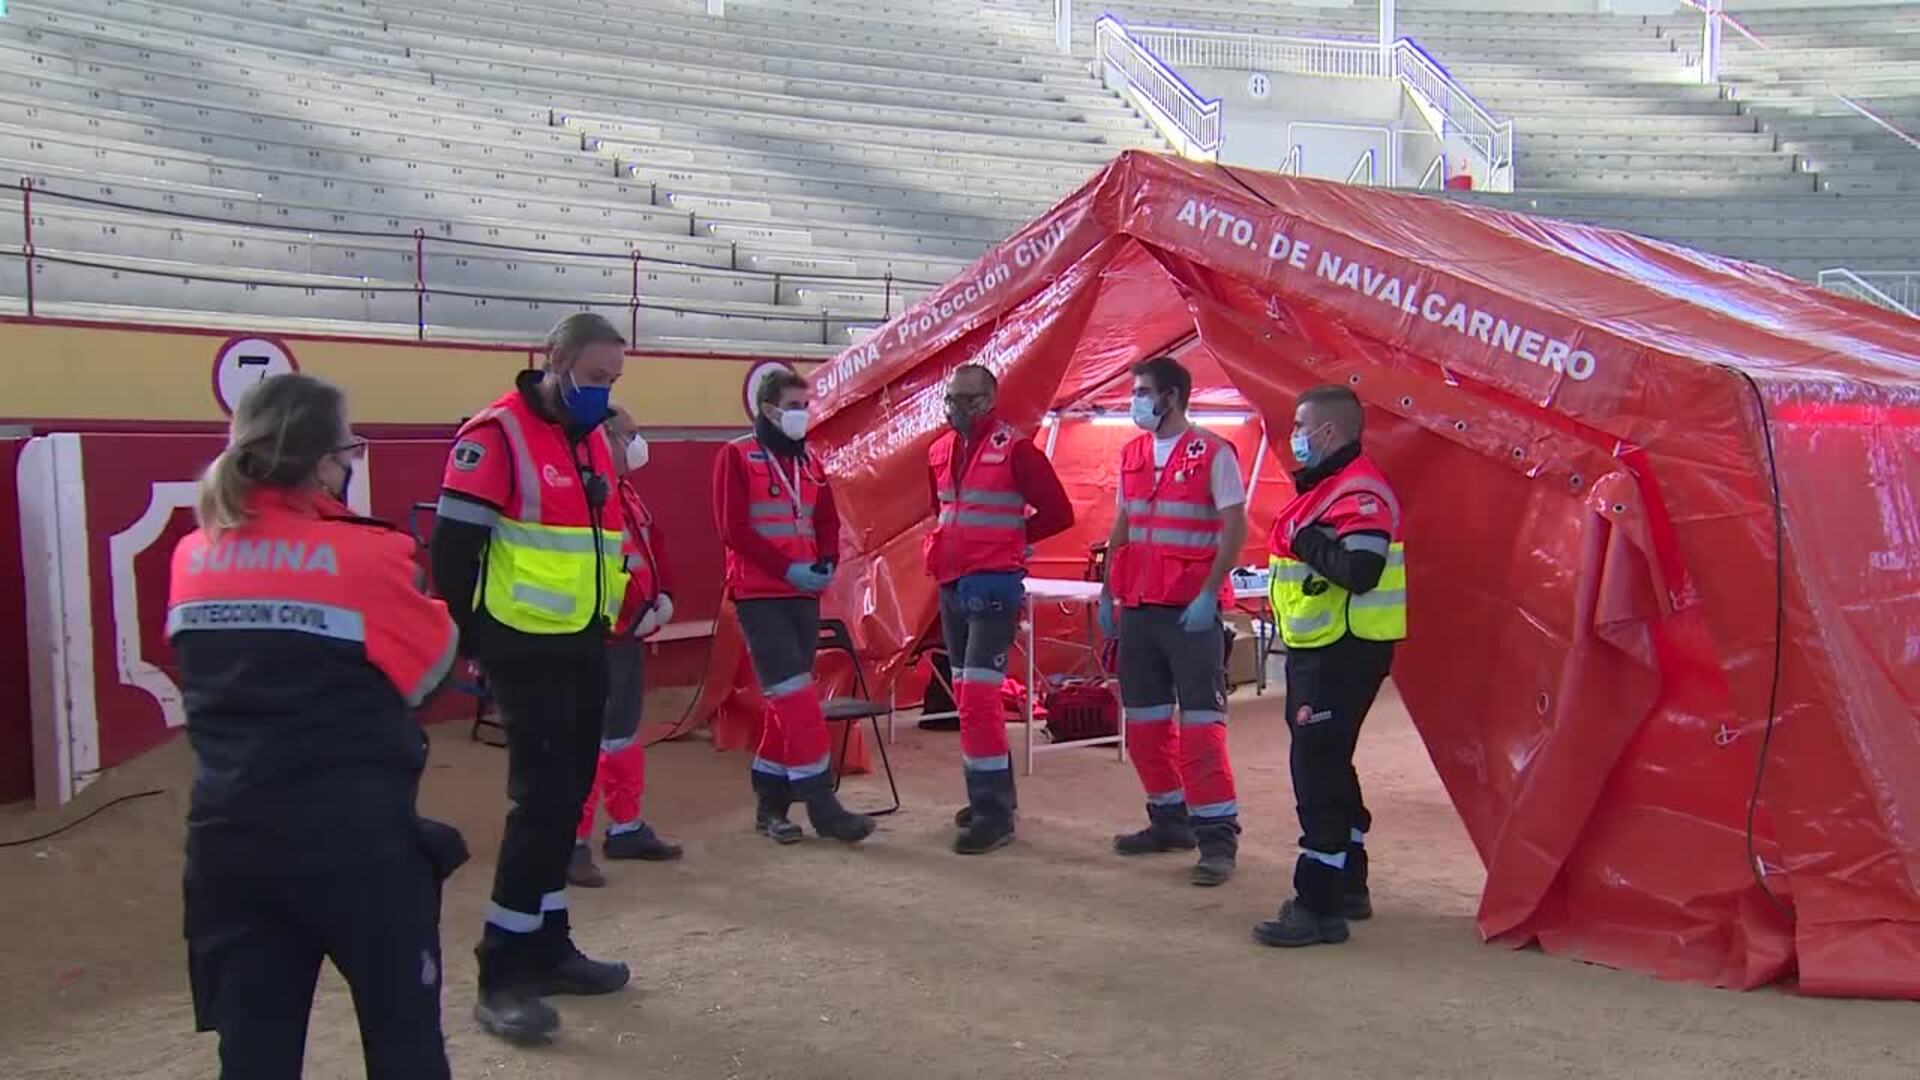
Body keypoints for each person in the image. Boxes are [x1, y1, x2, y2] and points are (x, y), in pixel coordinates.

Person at [169, 373, 463, 1079]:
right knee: (405, 1047)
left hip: (228, 843)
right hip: (354, 844)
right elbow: (431, 673)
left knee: (253, 1057)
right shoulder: (369, 554)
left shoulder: (195, 552)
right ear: (325, 459)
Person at [430, 313, 633, 1044]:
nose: (603, 392)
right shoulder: (497, 434)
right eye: (593, 377)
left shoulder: (592, 442)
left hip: (582, 644)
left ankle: (547, 945)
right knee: (539, 802)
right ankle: (502, 971)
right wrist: (475, 644)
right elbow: (452, 553)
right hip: (523, 650)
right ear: (554, 362)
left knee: (567, 799)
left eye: (612, 381)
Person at [1252, 384, 1407, 949]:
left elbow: (1361, 569)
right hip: (1323, 645)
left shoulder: (1357, 489)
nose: (1294, 435)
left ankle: (1317, 902)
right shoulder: (1331, 487)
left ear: (1329, 431)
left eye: (1300, 424)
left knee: (1315, 769)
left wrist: (1303, 540)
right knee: (1330, 761)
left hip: (1342, 647)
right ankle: (1348, 884)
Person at [1097, 355, 1249, 887]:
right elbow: (1124, 523)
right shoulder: (1132, 453)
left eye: (1143, 391)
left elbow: (1234, 527)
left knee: (1201, 732)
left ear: (1172, 397)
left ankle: (1217, 838)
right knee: (1143, 728)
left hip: (1190, 613)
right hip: (1139, 608)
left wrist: (1210, 593)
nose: (1135, 400)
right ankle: (1168, 821)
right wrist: (1107, 592)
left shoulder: (1214, 452)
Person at [712, 367, 875, 846]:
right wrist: (787, 570)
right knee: (797, 700)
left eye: (806, 405)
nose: (804, 414)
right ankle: (822, 804)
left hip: (803, 594)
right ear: (768, 409)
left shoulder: (809, 462)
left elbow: (825, 517)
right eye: (794, 405)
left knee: (789, 703)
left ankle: (770, 805)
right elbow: (734, 531)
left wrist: (827, 559)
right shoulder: (736, 456)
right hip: (760, 596)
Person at [924, 364, 1074, 854]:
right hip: (952, 582)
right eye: (950, 398)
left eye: (966, 399)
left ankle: (992, 812)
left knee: (978, 699)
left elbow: (1058, 512)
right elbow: (943, 512)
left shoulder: (1017, 450)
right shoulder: (939, 451)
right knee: (968, 693)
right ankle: (993, 798)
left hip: (992, 584)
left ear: (989, 400)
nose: (955, 408)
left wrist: (1014, 541)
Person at [567, 406, 684, 888]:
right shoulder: (582, 495)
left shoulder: (625, 491)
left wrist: (665, 595)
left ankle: (625, 827)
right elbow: (588, 566)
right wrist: (634, 611)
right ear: (604, 438)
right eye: (630, 435)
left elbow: (651, 546)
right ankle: (571, 842)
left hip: (629, 630)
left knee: (622, 734)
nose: (638, 444)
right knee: (585, 738)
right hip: (596, 632)